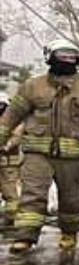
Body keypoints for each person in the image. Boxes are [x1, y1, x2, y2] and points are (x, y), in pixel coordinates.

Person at [0, 39, 79, 253]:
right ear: (49, 57)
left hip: (76, 157)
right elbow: (9, 118)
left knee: (72, 200)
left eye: (71, 57)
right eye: (62, 56)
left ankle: (69, 234)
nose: (66, 61)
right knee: (32, 196)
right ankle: (25, 238)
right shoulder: (32, 87)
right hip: (38, 154)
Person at [0, 93, 22, 228]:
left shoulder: (14, 120)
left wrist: (6, 146)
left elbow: (17, 137)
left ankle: (12, 219)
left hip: (9, 163)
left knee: (10, 192)